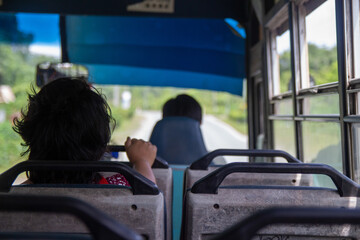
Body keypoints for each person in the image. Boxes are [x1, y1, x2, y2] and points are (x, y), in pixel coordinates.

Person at [13, 77, 156, 185]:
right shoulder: (115, 188)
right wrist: (141, 162)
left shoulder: (14, 198)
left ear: (30, 137)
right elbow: (148, 199)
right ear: (101, 145)